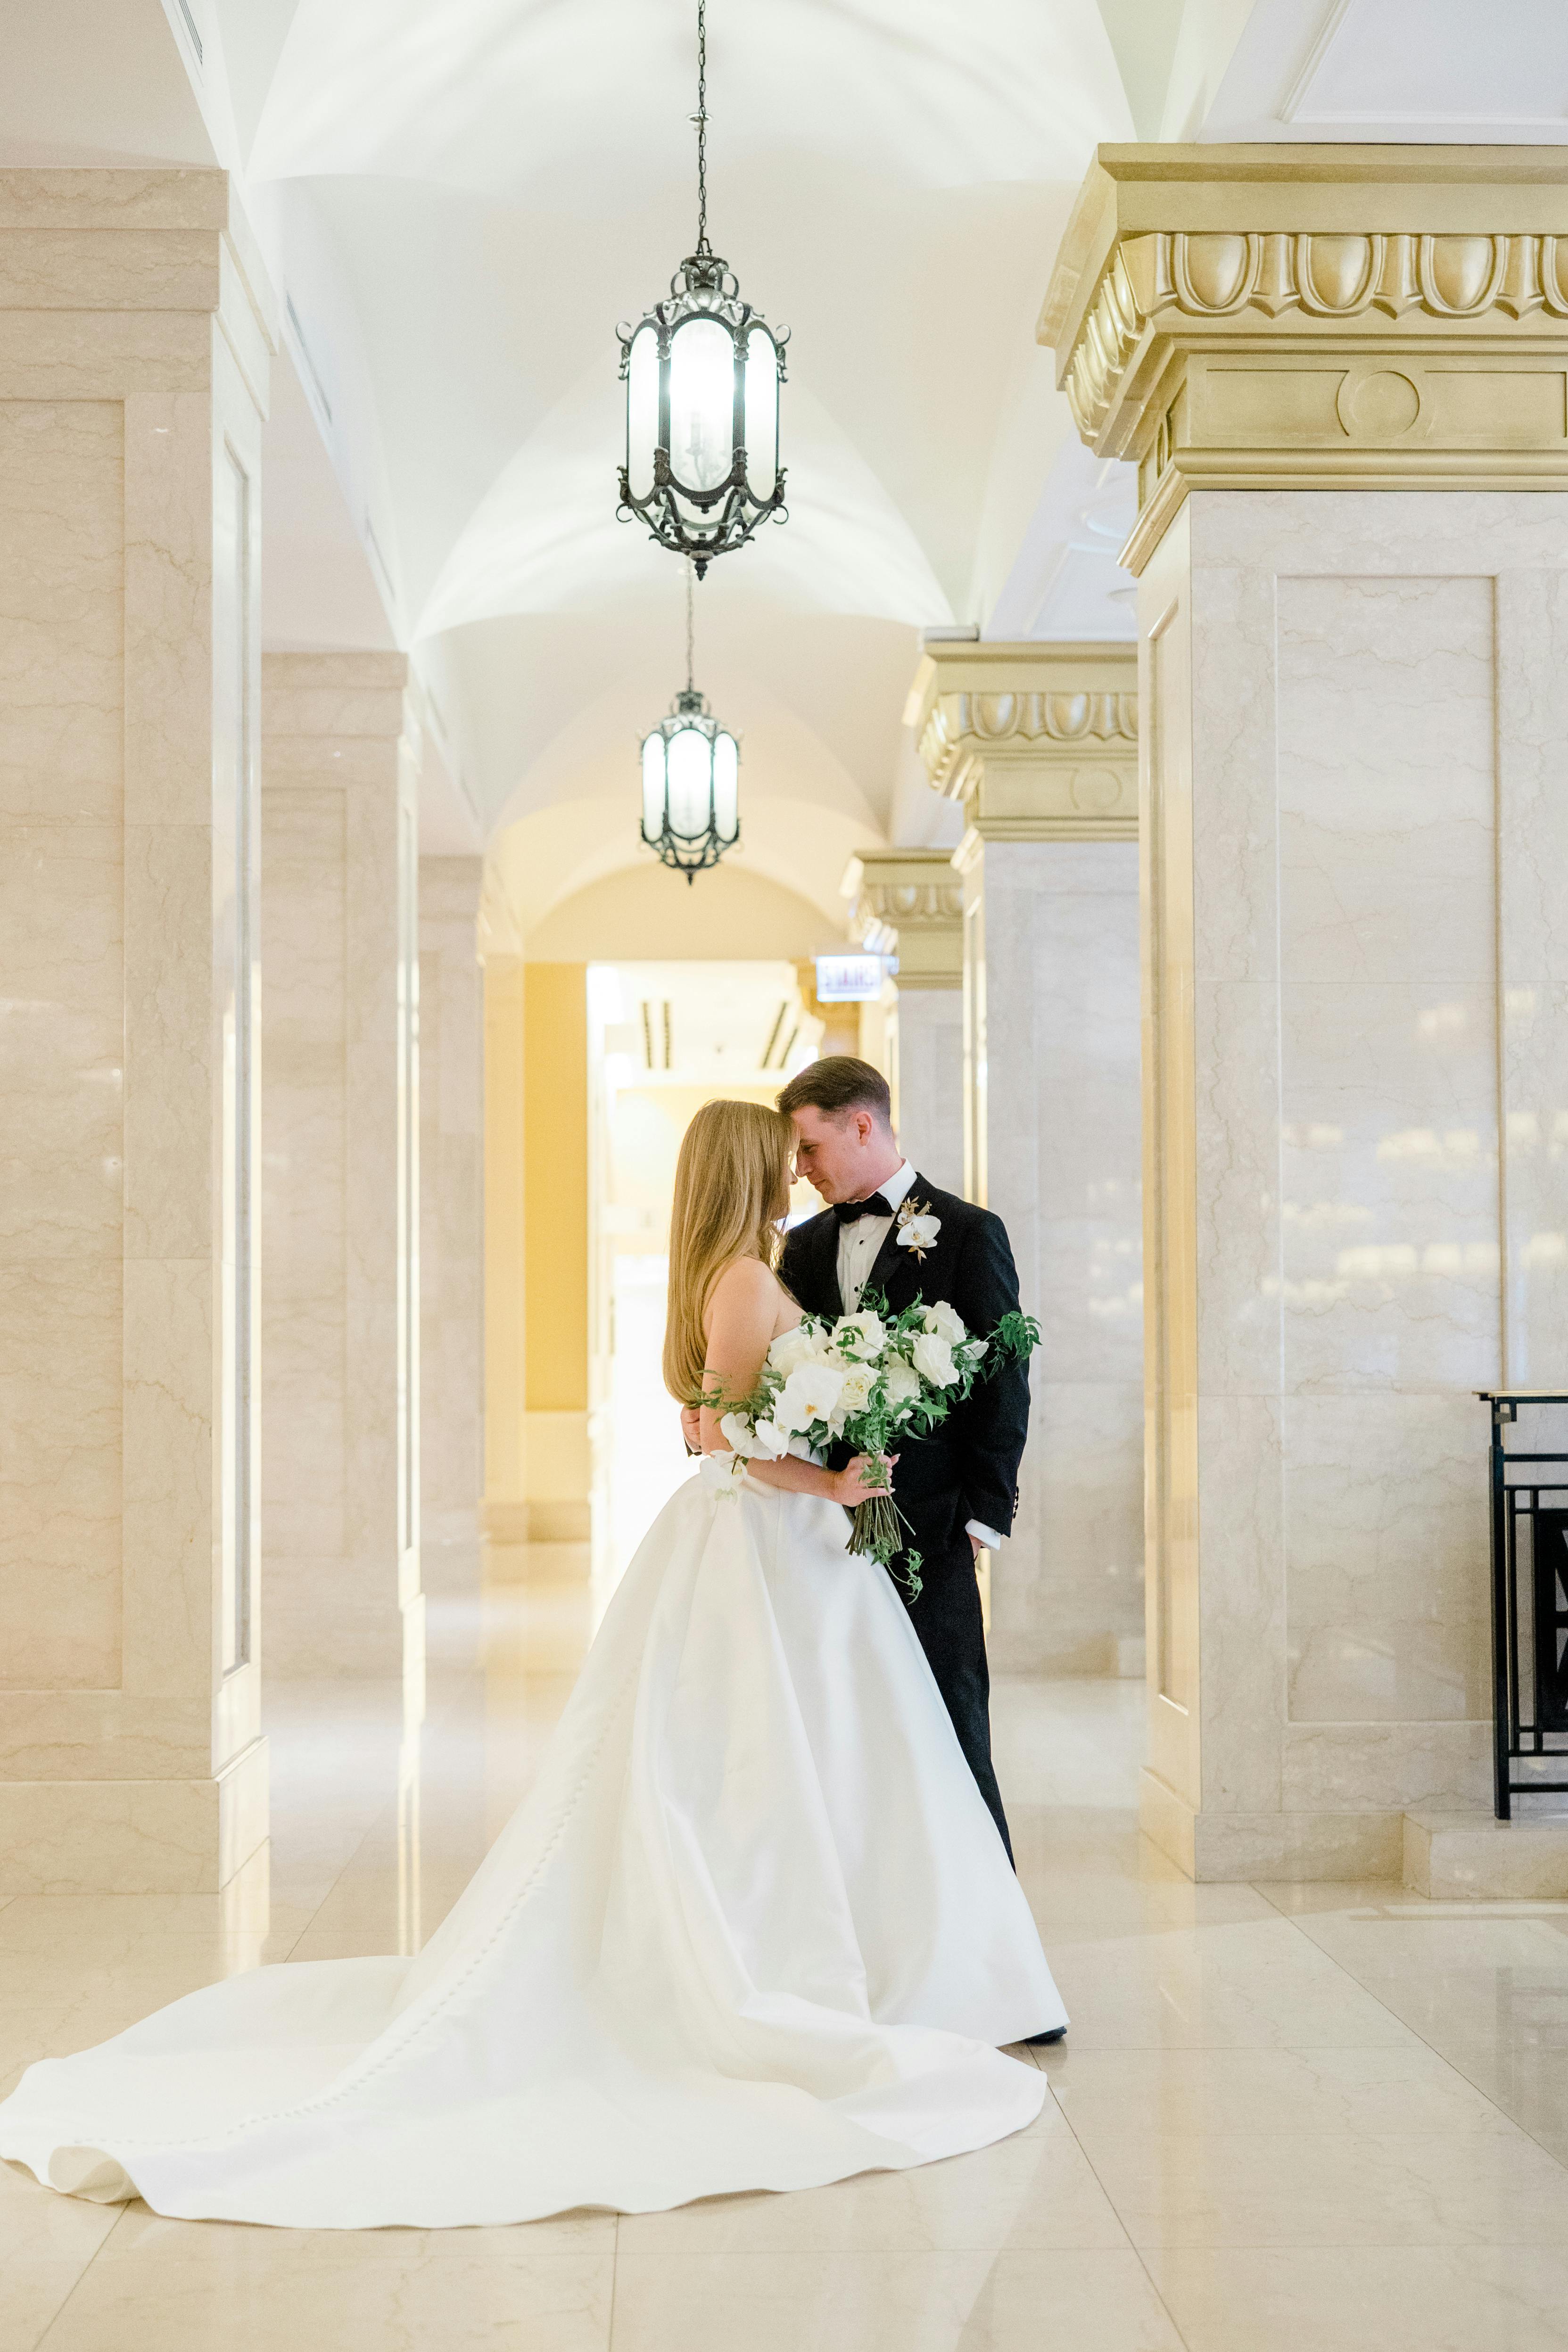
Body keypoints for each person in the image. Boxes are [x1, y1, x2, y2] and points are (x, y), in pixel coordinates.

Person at [0, 1099, 1065, 2230]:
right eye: (783, 1155)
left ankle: (877, 1951)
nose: (798, 1172)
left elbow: (711, 1420)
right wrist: (834, 1482)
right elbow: (741, 1443)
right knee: (776, 1761)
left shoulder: (740, 1266)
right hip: (774, 1545)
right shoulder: (756, 1275)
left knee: (817, 1754)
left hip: (786, 1550)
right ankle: (804, 1964)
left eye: (808, 1150)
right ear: (751, 1166)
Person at [774, 1057, 1030, 1865]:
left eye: (810, 1148)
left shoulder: (967, 1231)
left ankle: (989, 1910)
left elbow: (1002, 1382)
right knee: (847, 1728)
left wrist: (982, 1518)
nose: (801, 1171)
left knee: (951, 1719)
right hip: (820, 1528)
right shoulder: (802, 1248)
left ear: (862, 1123)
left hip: (935, 1525)